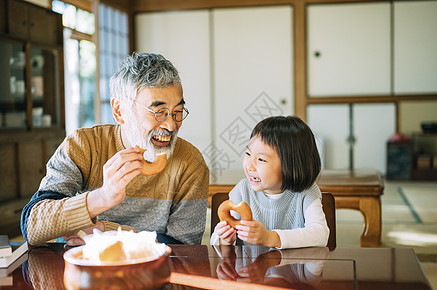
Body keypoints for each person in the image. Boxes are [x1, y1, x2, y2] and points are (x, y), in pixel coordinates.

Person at [21, 53, 209, 246]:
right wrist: (102, 197)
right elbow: (31, 226)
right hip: (79, 266)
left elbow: (186, 249)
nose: (171, 125)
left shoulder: (190, 163)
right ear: (120, 111)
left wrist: (107, 232)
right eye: (159, 112)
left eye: (177, 112)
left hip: (152, 270)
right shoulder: (84, 146)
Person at [210, 116, 329, 249]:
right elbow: (216, 241)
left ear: (291, 165)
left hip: (294, 268)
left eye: (261, 159)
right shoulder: (243, 190)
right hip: (249, 268)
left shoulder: (306, 192)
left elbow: (320, 234)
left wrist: (269, 237)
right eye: (248, 154)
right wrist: (224, 240)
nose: (250, 166)